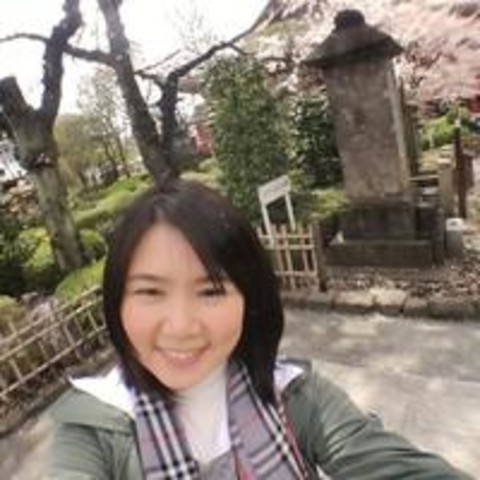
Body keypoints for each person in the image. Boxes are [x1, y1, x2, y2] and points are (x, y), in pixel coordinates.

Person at [47, 179, 471, 479]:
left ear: (249, 299)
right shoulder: (93, 431)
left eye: (211, 291)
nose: (180, 326)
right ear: (117, 302)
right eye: (150, 292)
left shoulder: (294, 396)